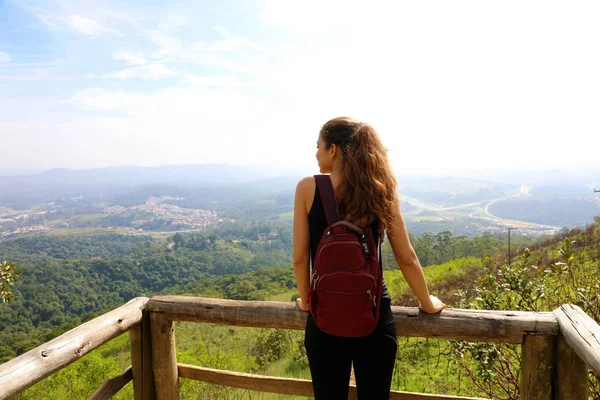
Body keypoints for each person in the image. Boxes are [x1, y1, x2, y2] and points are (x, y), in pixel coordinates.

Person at [292, 117, 446, 399]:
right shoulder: (380, 188)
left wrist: (306, 301)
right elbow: (406, 257)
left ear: (334, 149)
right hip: (374, 315)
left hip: (324, 316)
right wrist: (427, 303)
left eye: (319, 146)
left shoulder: (306, 188)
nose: (316, 154)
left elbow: (300, 259)